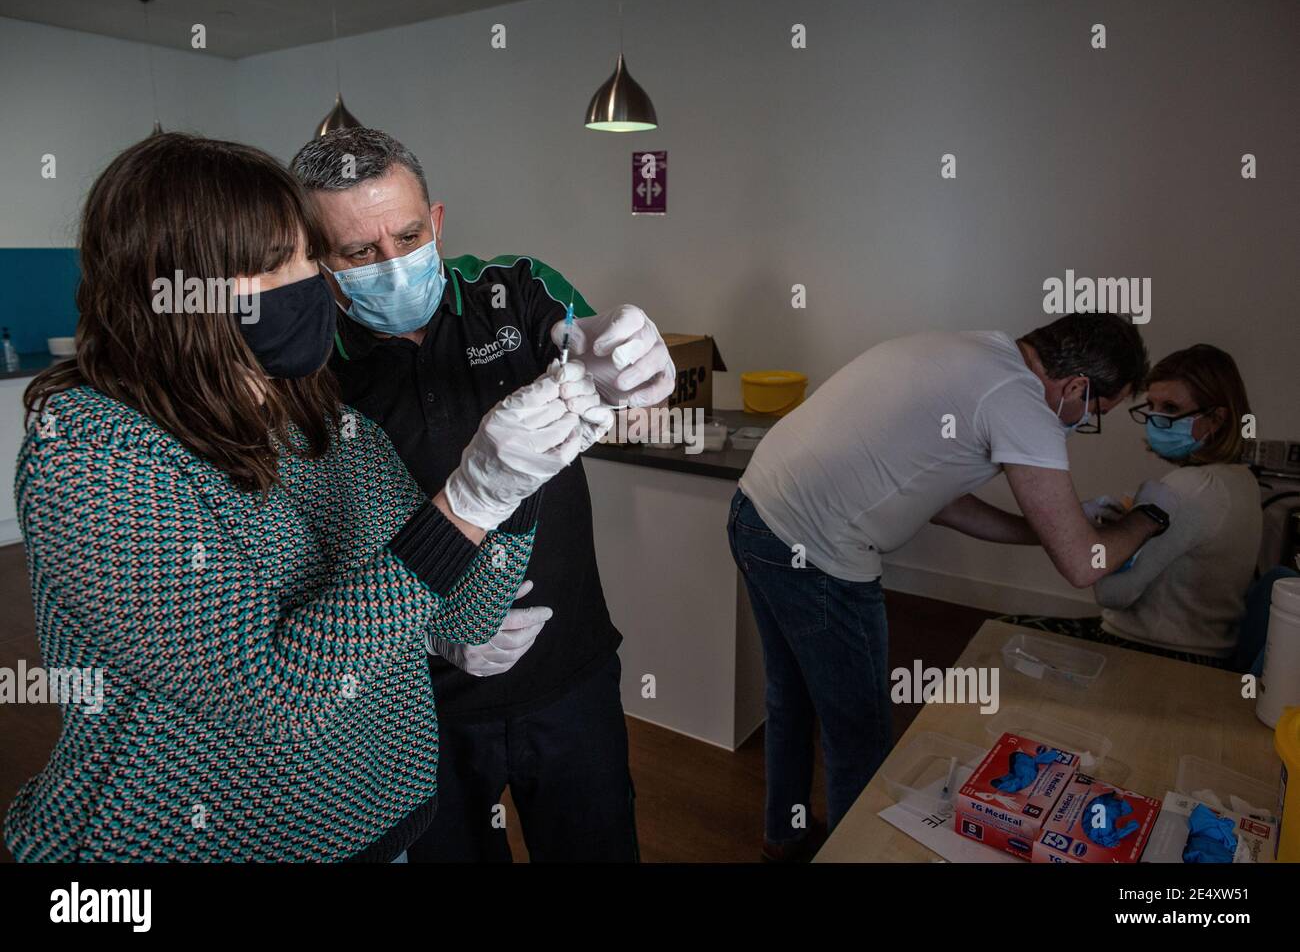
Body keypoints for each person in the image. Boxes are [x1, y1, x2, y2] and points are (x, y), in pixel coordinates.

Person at [4, 133, 601, 862]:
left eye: (309, 257)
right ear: (179, 287)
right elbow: (270, 698)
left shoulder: (320, 425)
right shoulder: (96, 455)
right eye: (277, 263)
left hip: (383, 826)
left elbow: (470, 611)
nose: (312, 280)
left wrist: (517, 480)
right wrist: (467, 505)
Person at [290, 128, 674, 862]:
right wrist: (430, 635)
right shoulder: (309, 368)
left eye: (407, 236)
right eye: (359, 253)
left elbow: (574, 339)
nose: (394, 266)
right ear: (319, 261)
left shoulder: (510, 289)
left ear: (435, 223)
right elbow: (313, 553)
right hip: (413, 701)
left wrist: (610, 357)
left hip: (569, 667)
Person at [729, 313, 1167, 861]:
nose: (1085, 421)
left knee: (790, 697)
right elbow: (1084, 564)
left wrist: (1059, 524)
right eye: (1097, 411)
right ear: (1077, 385)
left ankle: (785, 838)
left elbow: (946, 504)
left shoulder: (974, 352)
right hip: (818, 552)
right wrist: (1147, 520)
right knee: (859, 733)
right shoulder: (1022, 404)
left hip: (756, 512)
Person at [1009, 344, 1262, 668]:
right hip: (1208, 649)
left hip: (1155, 654)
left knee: (1003, 633)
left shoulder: (1190, 488)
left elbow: (1113, 595)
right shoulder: (1242, 481)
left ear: (1215, 419)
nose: (1155, 419)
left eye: (1170, 408)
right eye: (1152, 406)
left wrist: (1108, 534)